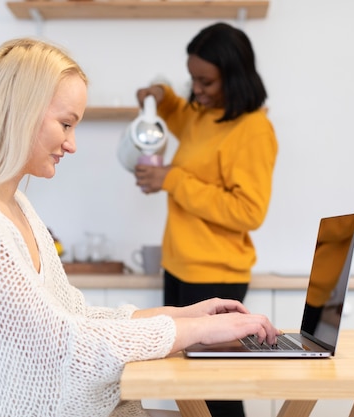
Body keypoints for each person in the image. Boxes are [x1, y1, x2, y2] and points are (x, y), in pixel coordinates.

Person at [0, 38, 281, 417]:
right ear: (19, 112)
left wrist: (186, 318)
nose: (71, 144)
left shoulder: (15, 205)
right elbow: (62, 345)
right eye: (66, 124)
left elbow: (74, 316)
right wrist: (198, 331)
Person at [133, 22, 278, 417]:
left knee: (216, 388)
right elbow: (178, 112)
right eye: (193, 78)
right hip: (179, 268)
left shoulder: (253, 130)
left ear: (234, 76)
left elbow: (249, 211)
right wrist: (159, 95)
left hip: (216, 274)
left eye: (206, 81)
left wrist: (172, 179)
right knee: (190, 384)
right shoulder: (202, 114)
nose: (197, 90)